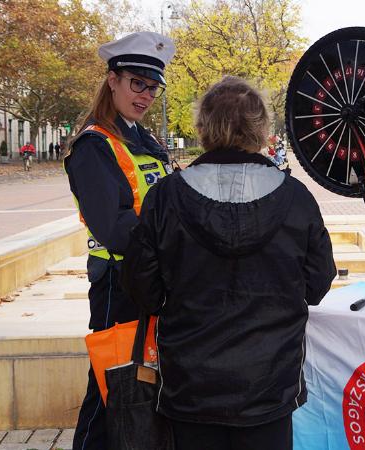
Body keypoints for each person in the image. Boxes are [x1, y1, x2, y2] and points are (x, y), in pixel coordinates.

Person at [121, 76, 336, 450]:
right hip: (269, 384)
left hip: (192, 382)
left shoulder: (165, 198)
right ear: (261, 129)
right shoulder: (295, 198)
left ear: (203, 127)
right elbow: (317, 284)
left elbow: (143, 288)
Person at [63, 31, 175, 450]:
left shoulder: (142, 139)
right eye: (136, 83)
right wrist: (173, 239)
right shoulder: (93, 147)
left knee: (137, 392)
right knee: (110, 392)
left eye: (152, 87)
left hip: (149, 280)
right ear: (112, 79)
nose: (145, 95)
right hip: (118, 282)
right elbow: (114, 226)